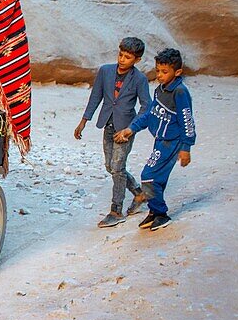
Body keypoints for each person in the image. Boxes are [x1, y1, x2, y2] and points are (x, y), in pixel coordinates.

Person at [114, 48, 196, 231]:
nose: (159, 75)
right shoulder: (160, 90)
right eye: (158, 70)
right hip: (160, 140)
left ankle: (161, 213)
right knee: (157, 179)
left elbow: (187, 121)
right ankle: (154, 212)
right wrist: (130, 129)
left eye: (164, 72)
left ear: (178, 72)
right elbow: (150, 114)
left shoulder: (180, 93)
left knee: (148, 176)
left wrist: (186, 147)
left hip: (172, 142)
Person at [74, 37, 151, 228]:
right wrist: (84, 121)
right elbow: (95, 97)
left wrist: (130, 129)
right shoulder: (105, 71)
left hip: (125, 129)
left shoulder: (140, 79)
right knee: (111, 167)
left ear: (137, 60)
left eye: (128, 57)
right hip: (107, 125)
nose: (122, 60)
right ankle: (139, 194)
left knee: (117, 168)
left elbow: (146, 106)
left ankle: (116, 211)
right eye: (121, 55)